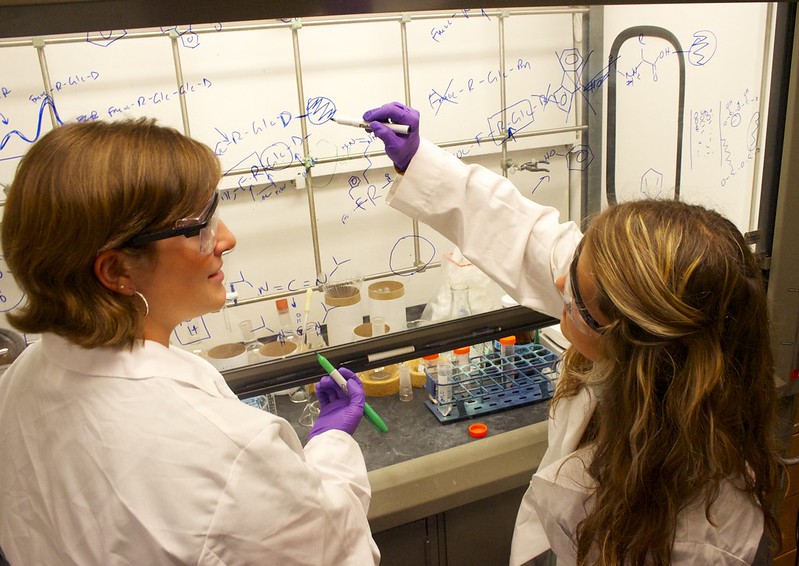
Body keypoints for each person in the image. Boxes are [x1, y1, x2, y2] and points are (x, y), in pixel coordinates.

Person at [364, 102, 783, 565]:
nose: (561, 283)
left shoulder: (701, 540)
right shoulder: (643, 327)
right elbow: (525, 233)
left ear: (633, 341)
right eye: (580, 257)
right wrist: (421, 162)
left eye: (578, 295)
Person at [0, 118, 380, 565]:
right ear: (118, 271)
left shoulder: (17, 384)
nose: (226, 238)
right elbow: (336, 548)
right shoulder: (225, 450)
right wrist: (332, 441)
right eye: (200, 226)